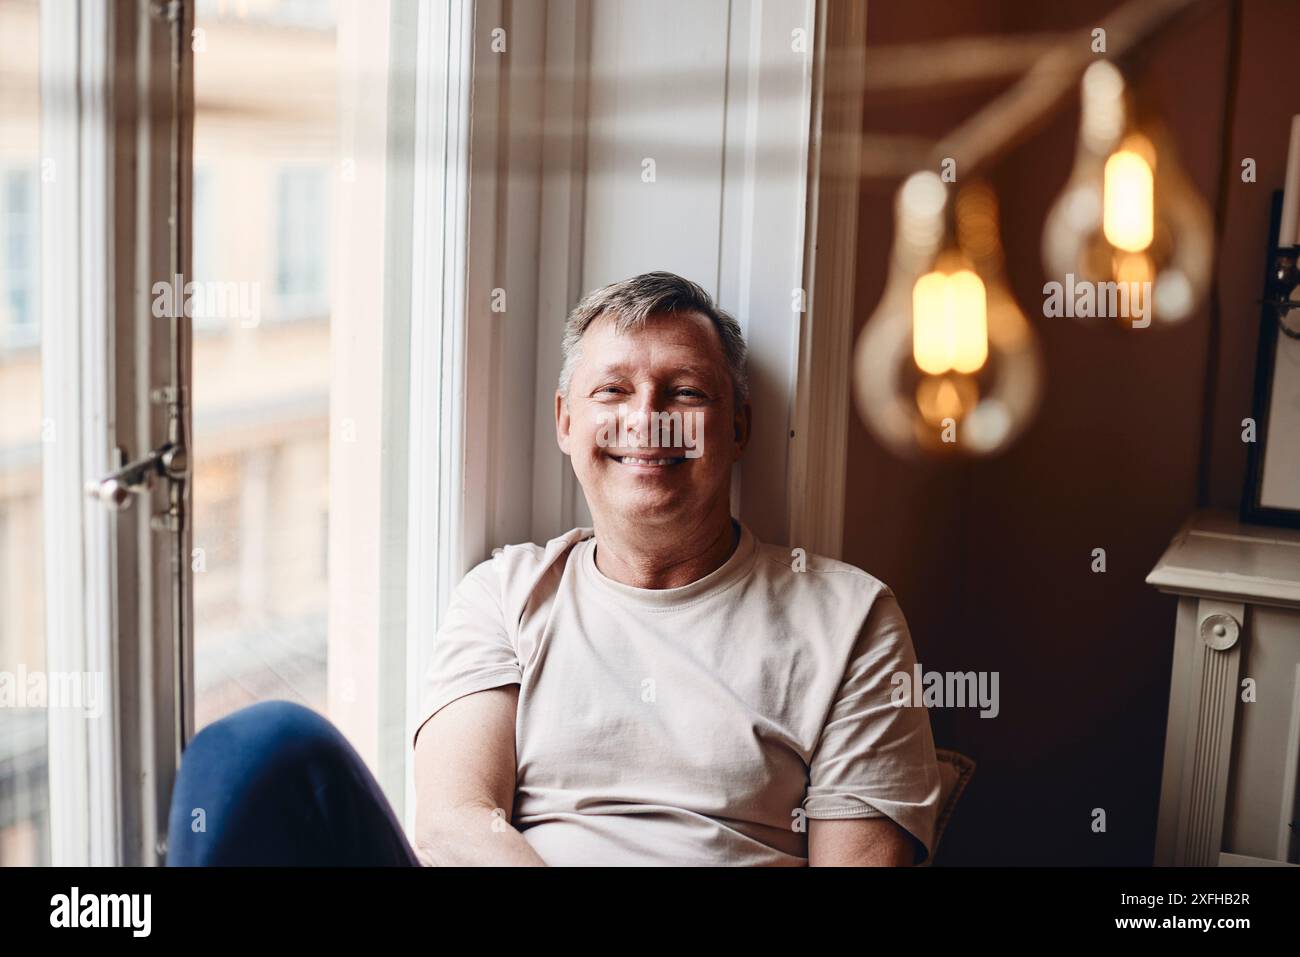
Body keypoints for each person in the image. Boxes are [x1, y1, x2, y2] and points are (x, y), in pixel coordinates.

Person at [167, 271, 941, 867]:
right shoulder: (505, 593)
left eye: (685, 392)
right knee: (262, 747)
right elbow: (454, 824)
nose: (646, 420)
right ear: (567, 422)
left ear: (737, 426)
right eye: (614, 391)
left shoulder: (850, 618)